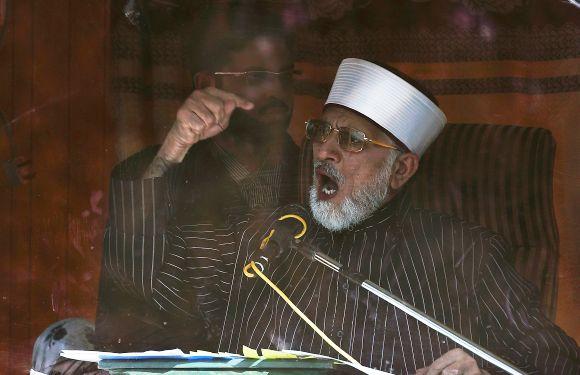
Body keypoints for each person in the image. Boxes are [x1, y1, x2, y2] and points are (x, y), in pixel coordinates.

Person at [140, 59, 579, 374]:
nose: (325, 151)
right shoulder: (265, 234)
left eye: (352, 140)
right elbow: (147, 284)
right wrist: (173, 150)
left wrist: (483, 372)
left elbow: (554, 360)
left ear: (401, 170)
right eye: (320, 131)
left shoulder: (467, 253)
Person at [93, 1, 303, 355]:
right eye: (257, 78)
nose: (278, 95)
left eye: (285, 77)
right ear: (208, 84)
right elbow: (127, 285)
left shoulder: (314, 177)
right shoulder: (150, 171)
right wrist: (174, 148)